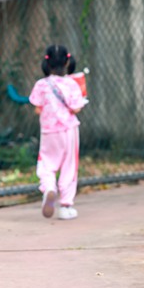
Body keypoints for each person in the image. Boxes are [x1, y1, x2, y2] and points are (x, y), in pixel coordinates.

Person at [29, 44, 88, 220]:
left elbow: (37, 108)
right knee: (69, 166)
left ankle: (49, 188)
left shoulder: (41, 84)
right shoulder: (71, 84)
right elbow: (76, 108)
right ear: (67, 61)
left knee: (47, 163)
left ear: (46, 62)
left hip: (48, 132)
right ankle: (66, 206)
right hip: (69, 131)